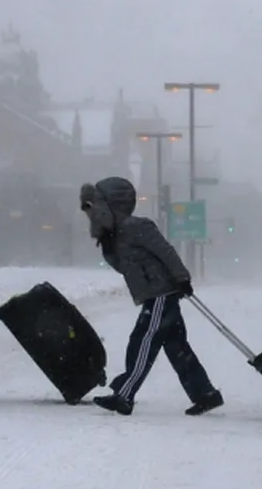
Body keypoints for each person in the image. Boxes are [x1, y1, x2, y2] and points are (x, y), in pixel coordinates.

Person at [82, 177, 223, 416]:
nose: (90, 213)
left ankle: (124, 395)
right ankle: (205, 394)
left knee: (142, 341)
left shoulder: (138, 226)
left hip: (161, 293)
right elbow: (124, 266)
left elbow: (165, 251)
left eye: (93, 205)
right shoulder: (114, 235)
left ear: (111, 204)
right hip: (154, 295)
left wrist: (182, 278)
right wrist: (107, 242)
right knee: (176, 347)